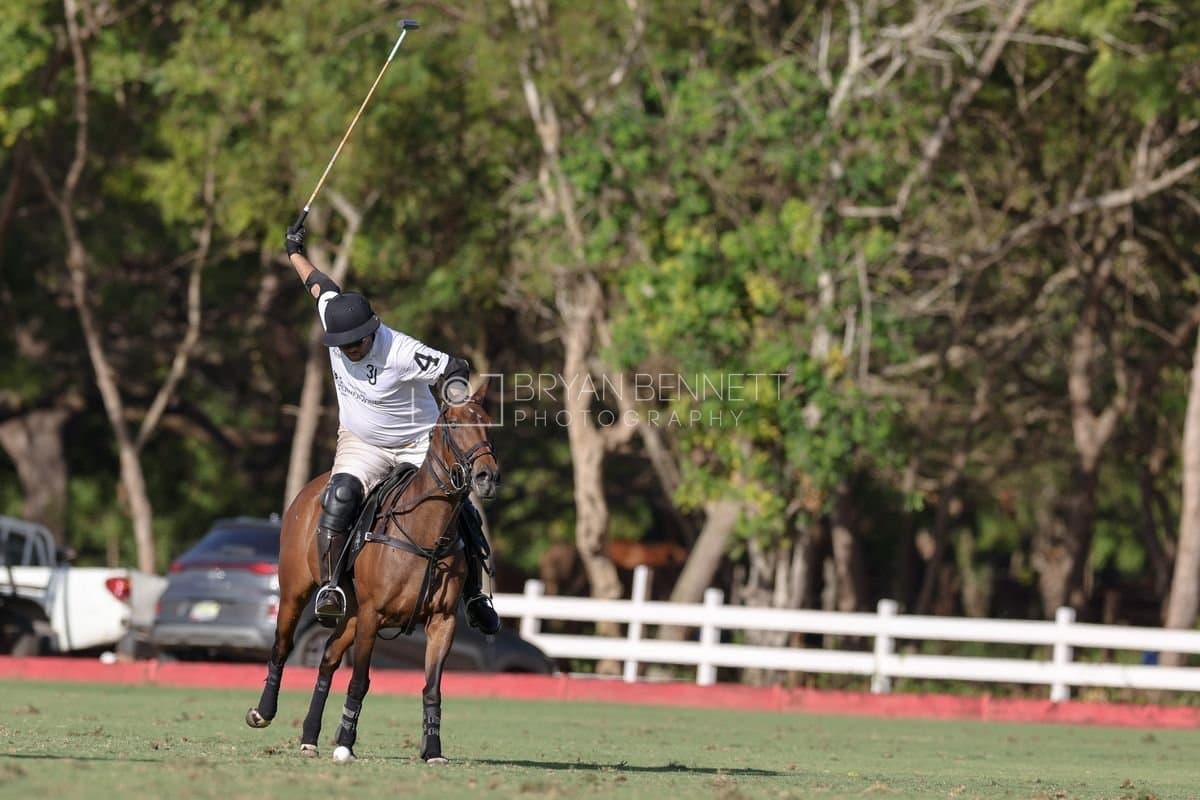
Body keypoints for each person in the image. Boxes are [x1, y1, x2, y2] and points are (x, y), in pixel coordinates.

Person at [284, 222, 499, 634]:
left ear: (371, 331)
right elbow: (318, 283)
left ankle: (475, 594)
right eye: (343, 344)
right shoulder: (334, 314)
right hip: (362, 442)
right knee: (340, 496)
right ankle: (332, 588)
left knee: (461, 504)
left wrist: (456, 400)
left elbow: (453, 367)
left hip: (418, 441)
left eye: (357, 342)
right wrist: (294, 249)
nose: (350, 349)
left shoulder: (400, 350)